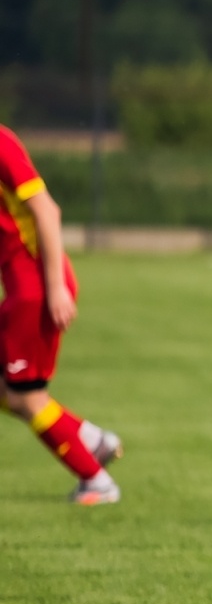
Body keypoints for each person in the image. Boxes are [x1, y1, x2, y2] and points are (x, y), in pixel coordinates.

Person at [0, 125, 123, 504]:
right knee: (8, 391)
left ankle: (97, 481)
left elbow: (46, 211)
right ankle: (89, 438)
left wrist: (54, 286)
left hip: (36, 290)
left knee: (25, 397)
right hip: (22, 290)